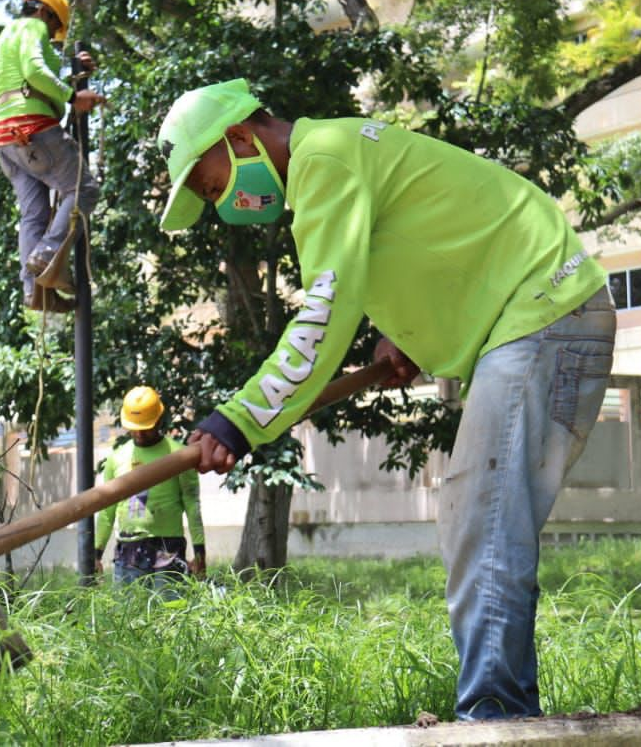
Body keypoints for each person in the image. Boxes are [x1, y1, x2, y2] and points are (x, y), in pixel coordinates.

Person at [155, 78, 616, 720]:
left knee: (485, 520)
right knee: (476, 517)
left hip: (544, 309)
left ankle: (495, 722)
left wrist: (238, 420)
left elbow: (323, 314)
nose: (218, 203)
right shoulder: (334, 153)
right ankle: (505, 713)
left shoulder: (323, 160)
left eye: (209, 185)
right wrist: (399, 335)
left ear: (237, 139)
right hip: (536, 314)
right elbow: (424, 240)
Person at [0, 0, 105, 312]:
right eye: (56, 28)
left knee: (34, 215)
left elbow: (45, 65)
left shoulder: (8, 36)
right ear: (45, 13)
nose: (53, 35)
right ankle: (47, 255)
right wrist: (74, 97)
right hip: (33, 131)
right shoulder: (32, 27)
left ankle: (34, 291)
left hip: (6, 141)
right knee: (83, 188)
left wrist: (73, 67)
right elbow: (35, 71)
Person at [94, 386, 206, 591]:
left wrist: (200, 554)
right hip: (128, 550)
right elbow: (106, 511)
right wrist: (96, 554)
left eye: (145, 426)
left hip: (168, 548)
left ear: (159, 419)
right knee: (127, 619)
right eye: (134, 426)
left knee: (169, 616)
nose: (139, 432)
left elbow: (192, 505)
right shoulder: (117, 458)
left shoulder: (179, 456)